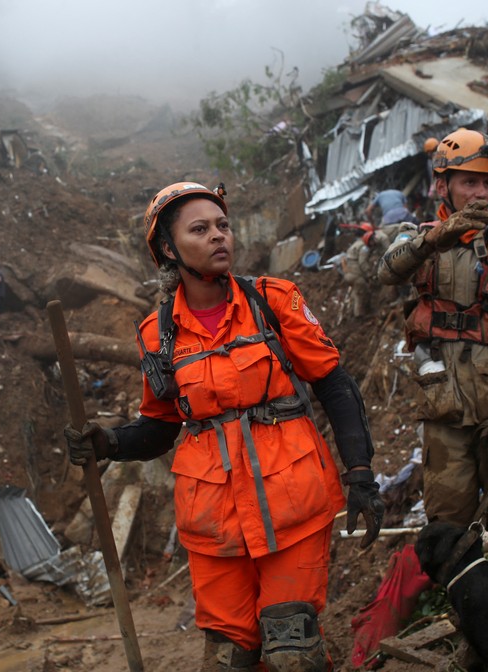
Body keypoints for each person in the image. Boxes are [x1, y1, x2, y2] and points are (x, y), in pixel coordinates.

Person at [64, 182, 385, 671]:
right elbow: (160, 427)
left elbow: (335, 387)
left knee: (292, 653)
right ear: (169, 250)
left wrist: (360, 473)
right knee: (227, 658)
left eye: (223, 225)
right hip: (214, 522)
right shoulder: (157, 334)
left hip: (292, 506)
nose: (219, 237)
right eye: (200, 229)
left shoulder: (273, 301)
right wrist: (109, 441)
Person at [377, 128, 488, 563]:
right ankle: (470, 623)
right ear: (442, 186)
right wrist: (436, 237)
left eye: (487, 182)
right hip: (443, 407)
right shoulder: (417, 239)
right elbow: (387, 271)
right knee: (450, 529)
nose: (480, 192)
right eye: (469, 181)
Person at [340, 223, 391, 319]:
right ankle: (360, 316)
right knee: (363, 293)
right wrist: (369, 274)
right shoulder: (364, 247)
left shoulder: (356, 244)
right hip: (356, 275)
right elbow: (362, 263)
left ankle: (354, 314)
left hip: (348, 274)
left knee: (357, 294)